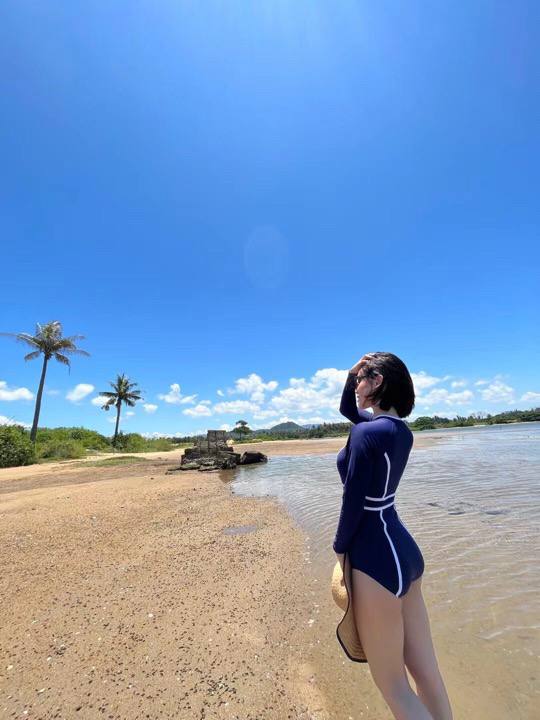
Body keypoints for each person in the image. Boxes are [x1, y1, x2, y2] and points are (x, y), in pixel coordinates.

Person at [333, 352, 453, 720]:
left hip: (375, 558)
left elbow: (353, 501)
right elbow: (347, 410)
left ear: (378, 381)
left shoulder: (366, 432)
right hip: (404, 550)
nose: (356, 386)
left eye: (361, 379)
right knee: (428, 673)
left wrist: (339, 550)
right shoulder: (401, 432)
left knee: (394, 687)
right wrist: (353, 372)